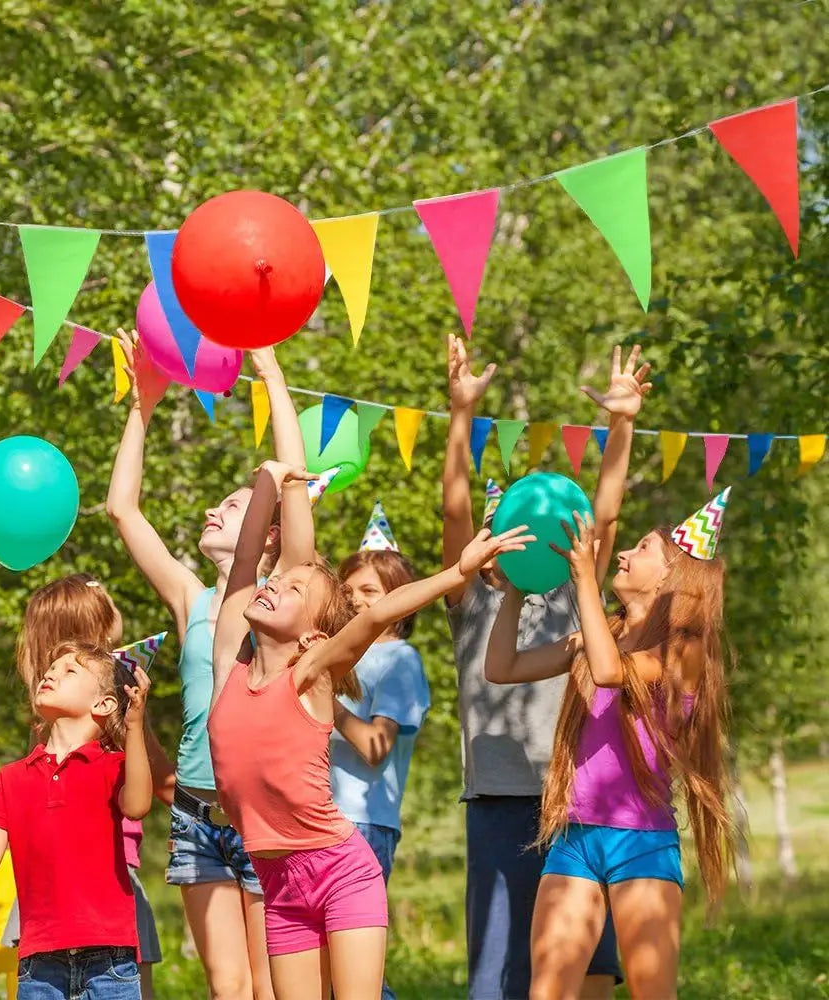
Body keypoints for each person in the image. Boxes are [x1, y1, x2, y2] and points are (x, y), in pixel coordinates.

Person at [208, 457, 534, 1000]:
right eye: (279, 579)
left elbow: (373, 620)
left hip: (340, 869)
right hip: (278, 880)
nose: (273, 586)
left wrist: (458, 573)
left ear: (313, 638)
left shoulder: (308, 676)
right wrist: (270, 479)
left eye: (293, 591)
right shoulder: (229, 664)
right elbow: (246, 561)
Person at [442, 335, 651, 999]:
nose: (518, 539)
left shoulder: (575, 589)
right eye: (504, 528)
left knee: (587, 963)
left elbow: (607, 510)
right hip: (499, 802)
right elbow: (452, 506)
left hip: (578, 801)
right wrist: (457, 417)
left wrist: (622, 423)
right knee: (499, 972)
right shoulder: (472, 594)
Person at [107, 332, 303, 1000]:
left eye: (234, 504)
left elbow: (291, 476)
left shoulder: (283, 600)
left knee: (269, 986)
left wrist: (271, 370)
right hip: (195, 810)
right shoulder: (192, 599)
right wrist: (143, 404)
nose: (212, 509)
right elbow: (122, 509)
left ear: (268, 532)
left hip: (262, 809)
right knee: (228, 988)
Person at [485, 492, 734, 1000]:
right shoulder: (603, 633)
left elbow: (609, 673)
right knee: (547, 991)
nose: (622, 554)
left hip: (640, 842)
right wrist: (516, 586)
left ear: (671, 577)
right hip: (574, 837)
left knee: (651, 993)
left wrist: (582, 580)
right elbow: (502, 668)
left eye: (640, 548)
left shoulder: (685, 651)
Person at [0, 641, 153, 1000]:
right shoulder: (10, 778)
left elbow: (139, 804)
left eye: (70, 670)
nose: (51, 673)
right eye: (51, 668)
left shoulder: (113, 766)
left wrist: (135, 727)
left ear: (103, 704)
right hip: (39, 965)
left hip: (109, 960)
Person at [9, 573, 173, 999]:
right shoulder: (96, 708)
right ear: (95, 626)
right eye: (109, 607)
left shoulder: (61, 708)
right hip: (106, 885)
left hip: (56, 898)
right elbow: (161, 785)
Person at [331, 503, 431, 1000]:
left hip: (362, 824)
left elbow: (375, 746)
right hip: (314, 819)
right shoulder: (336, 654)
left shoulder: (398, 659)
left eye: (369, 591)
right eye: (347, 590)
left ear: (402, 603)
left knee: (355, 972)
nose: (354, 600)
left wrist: (322, 702)